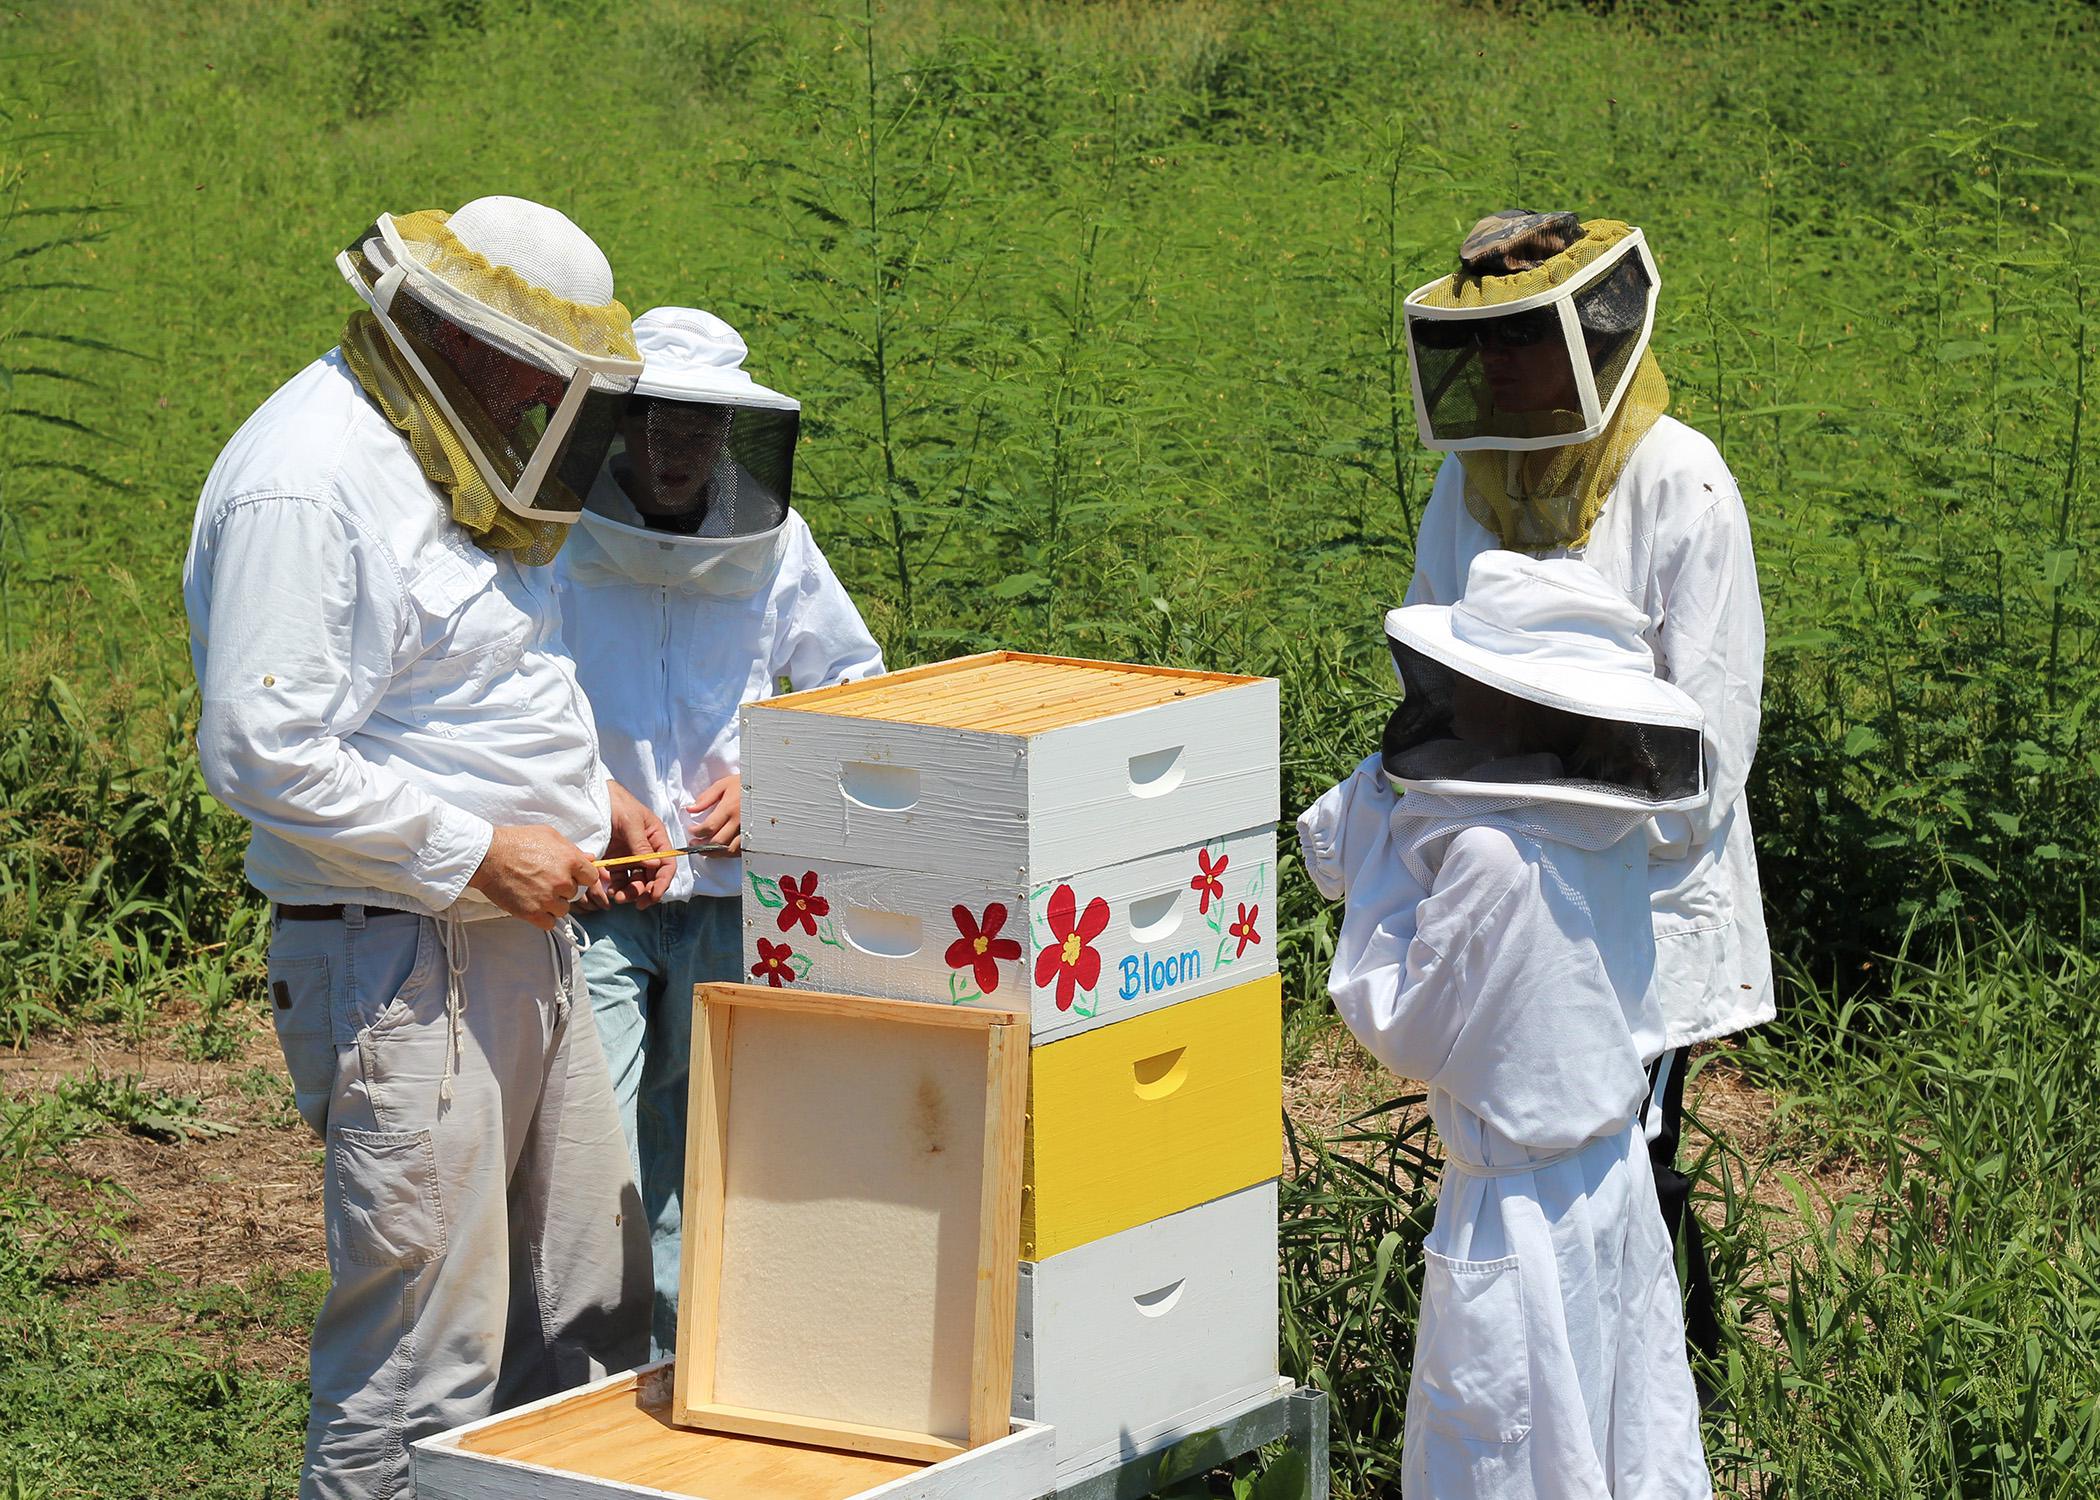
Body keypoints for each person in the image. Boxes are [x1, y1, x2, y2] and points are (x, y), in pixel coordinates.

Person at [183, 197, 676, 1500]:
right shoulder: (310, 474)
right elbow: (263, 749)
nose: (541, 399)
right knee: (421, 1370)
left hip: (522, 946)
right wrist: (476, 853)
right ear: (462, 335)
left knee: (581, 1317)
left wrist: (592, 805)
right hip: (404, 966)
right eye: (535, 367)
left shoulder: (445, 448)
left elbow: (475, 681)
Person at [1399, 210, 1770, 1357]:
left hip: (1642, 901)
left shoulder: (1679, 481)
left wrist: (1568, 824)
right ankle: (1538, 1395)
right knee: (1515, 1150)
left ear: (1594, 337)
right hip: (1508, 892)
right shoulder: (1470, 490)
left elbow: (1706, 747)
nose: (1505, 372)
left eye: (1526, 343)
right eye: (1488, 348)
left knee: (1628, 1152)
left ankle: (1671, 1403)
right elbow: (1435, 671)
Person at [1298, 552, 1712, 1499]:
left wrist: (1378, 883)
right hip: (1611, 1180)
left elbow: (1403, 1025)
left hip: (1515, 1204)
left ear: (1517, 698)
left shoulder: (1486, 854)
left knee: (1504, 1454)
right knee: (1619, 1430)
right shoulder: (1612, 831)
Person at [556, 305, 884, 1353]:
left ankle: (683, 1370)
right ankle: (585, 1378)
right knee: (595, 1145)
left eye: (697, 431)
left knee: (702, 1145)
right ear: (619, 428)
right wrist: (581, 793)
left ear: (730, 438)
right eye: (653, 427)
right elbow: (507, 688)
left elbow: (851, 681)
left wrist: (770, 781)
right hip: (593, 895)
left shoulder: (778, 539)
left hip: (727, 903)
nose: (673, 451)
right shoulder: (559, 538)